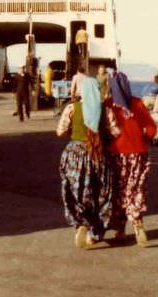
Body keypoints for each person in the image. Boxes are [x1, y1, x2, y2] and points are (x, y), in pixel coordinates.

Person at [56, 77, 120, 249]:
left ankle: (80, 223)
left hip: (75, 155)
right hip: (99, 155)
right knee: (101, 195)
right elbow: (116, 132)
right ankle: (94, 234)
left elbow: (60, 131)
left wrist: (74, 130)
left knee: (76, 192)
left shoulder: (72, 108)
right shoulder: (105, 110)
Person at [107, 72, 157, 246]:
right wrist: (145, 139)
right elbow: (151, 128)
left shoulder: (109, 104)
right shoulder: (136, 102)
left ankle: (120, 230)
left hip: (116, 154)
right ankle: (137, 222)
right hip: (138, 153)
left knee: (118, 192)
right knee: (135, 189)